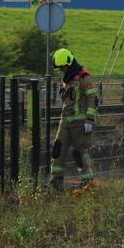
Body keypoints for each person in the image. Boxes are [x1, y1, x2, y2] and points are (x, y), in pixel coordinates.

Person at [50, 48, 98, 190]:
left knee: (80, 153)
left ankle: (87, 184)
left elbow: (91, 99)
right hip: (65, 122)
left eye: (62, 67)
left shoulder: (85, 78)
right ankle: (55, 182)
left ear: (69, 64)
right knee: (58, 150)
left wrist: (89, 121)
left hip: (80, 124)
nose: (61, 70)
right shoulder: (67, 78)